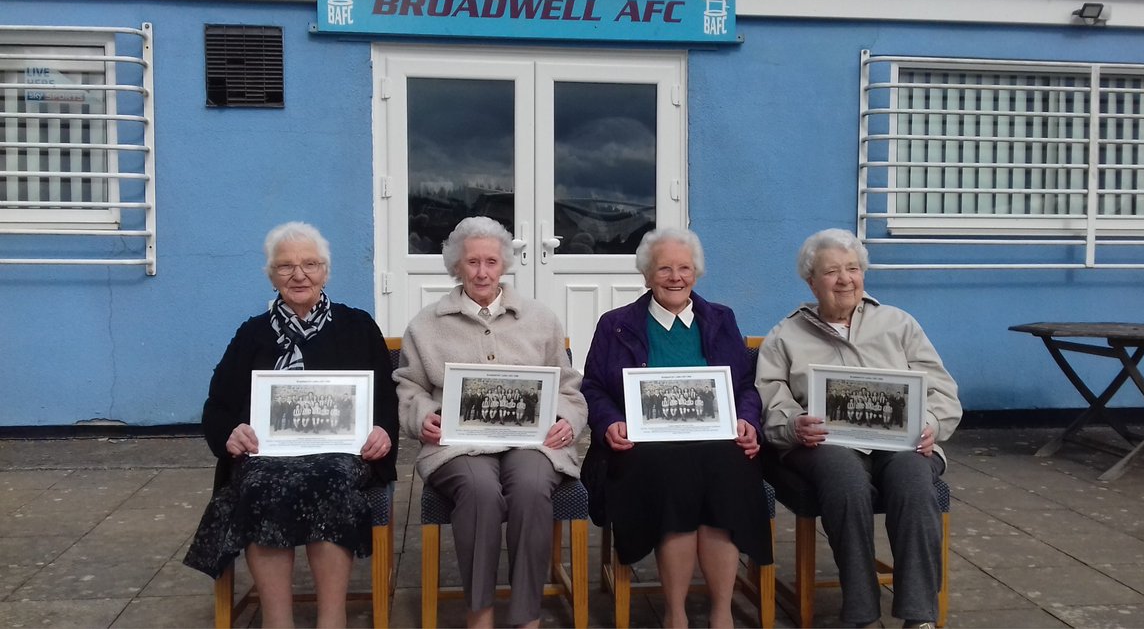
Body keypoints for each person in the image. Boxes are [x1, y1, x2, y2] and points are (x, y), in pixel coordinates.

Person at [183, 221, 399, 628]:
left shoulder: (357, 326)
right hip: (267, 455)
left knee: (331, 481)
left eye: (310, 264)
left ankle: (331, 620)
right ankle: (277, 620)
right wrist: (231, 433)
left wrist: (382, 431)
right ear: (272, 276)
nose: (299, 275)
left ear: (325, 272)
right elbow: (218, 405)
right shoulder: (252, 333)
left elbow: (387, 399)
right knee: (261, 485)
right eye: (286, 266)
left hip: (341, 454)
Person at [755, 228, 962, 629]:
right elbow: (770, 399)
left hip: (901, 442)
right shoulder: (786, 335)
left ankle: (919, 615)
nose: (844, 279)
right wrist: (794, 425)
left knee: (913, 479)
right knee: (845, 479)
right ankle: (862, 612)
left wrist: (931, 424)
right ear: (811, 281)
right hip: (824, 444)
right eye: (831, 271)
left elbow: (942, 390)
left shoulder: (898, 323)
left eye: (852, 268)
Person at [395, 216, 587, 629]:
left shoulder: (541, 318)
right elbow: (409, 388)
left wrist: (567, 421)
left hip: (532, 442)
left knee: (532, 487)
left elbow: (569, 388)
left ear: (504, 265)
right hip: (459, 444)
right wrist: (423, 417)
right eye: (472, 262)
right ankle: (479, 612)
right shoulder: (426, 325)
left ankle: (526, 616)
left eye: (491, 262)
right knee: (480, 491)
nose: (482, 272)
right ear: (456, 266)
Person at [581, 227, 772, 629]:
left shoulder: (720, 318)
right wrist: (610, 422)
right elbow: (593, 387)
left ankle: (721, 612)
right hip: (643, 446)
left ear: (696, 273)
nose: (675, 277)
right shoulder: (615, 324)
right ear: (647, 275)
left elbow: (744, 386)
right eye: (664, 268)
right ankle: (676, 613)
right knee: (674, 476)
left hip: (715, 440)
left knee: (727, 471)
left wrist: (747, 420)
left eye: (684, 268)